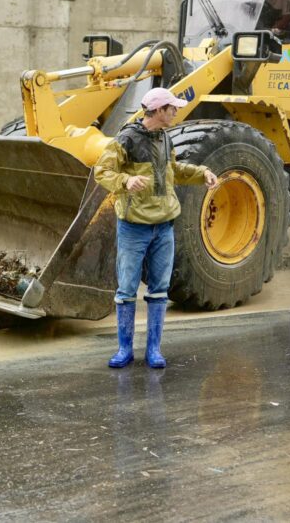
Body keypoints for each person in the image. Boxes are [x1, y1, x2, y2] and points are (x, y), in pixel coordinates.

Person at [93, 87, 218, 369]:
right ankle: (125, 350)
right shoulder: (126, 139)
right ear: (159, 111)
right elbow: (102, 171)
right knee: (126, 290)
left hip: (164, 226)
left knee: (159, 290)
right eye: (172, 108)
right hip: (133, 227)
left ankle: (154, 350)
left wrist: (203, 173)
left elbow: (174, 171)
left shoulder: (165, 138)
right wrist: (125, 181)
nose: (176, 112)